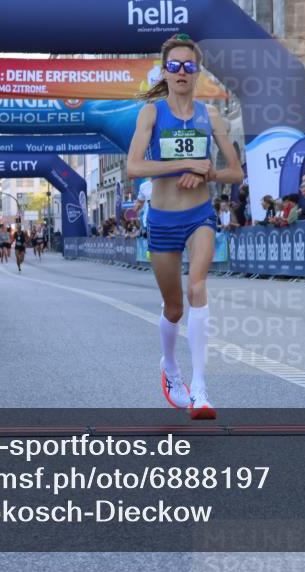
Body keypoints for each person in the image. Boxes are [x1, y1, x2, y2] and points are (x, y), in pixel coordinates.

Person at [126, 33, 243, 420]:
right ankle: (170, 368)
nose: (181, 71)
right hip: (162, 219)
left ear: (197, 72)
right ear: (164, 71)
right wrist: (183, 166)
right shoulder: (151, 114)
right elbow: (134, 167)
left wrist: (209, 173)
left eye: (188, 66)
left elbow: (235, 172)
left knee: (197, 287)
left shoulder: (211, 117)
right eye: (173, 65)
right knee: (174, 307)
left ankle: (201, 389)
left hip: (199, 216)